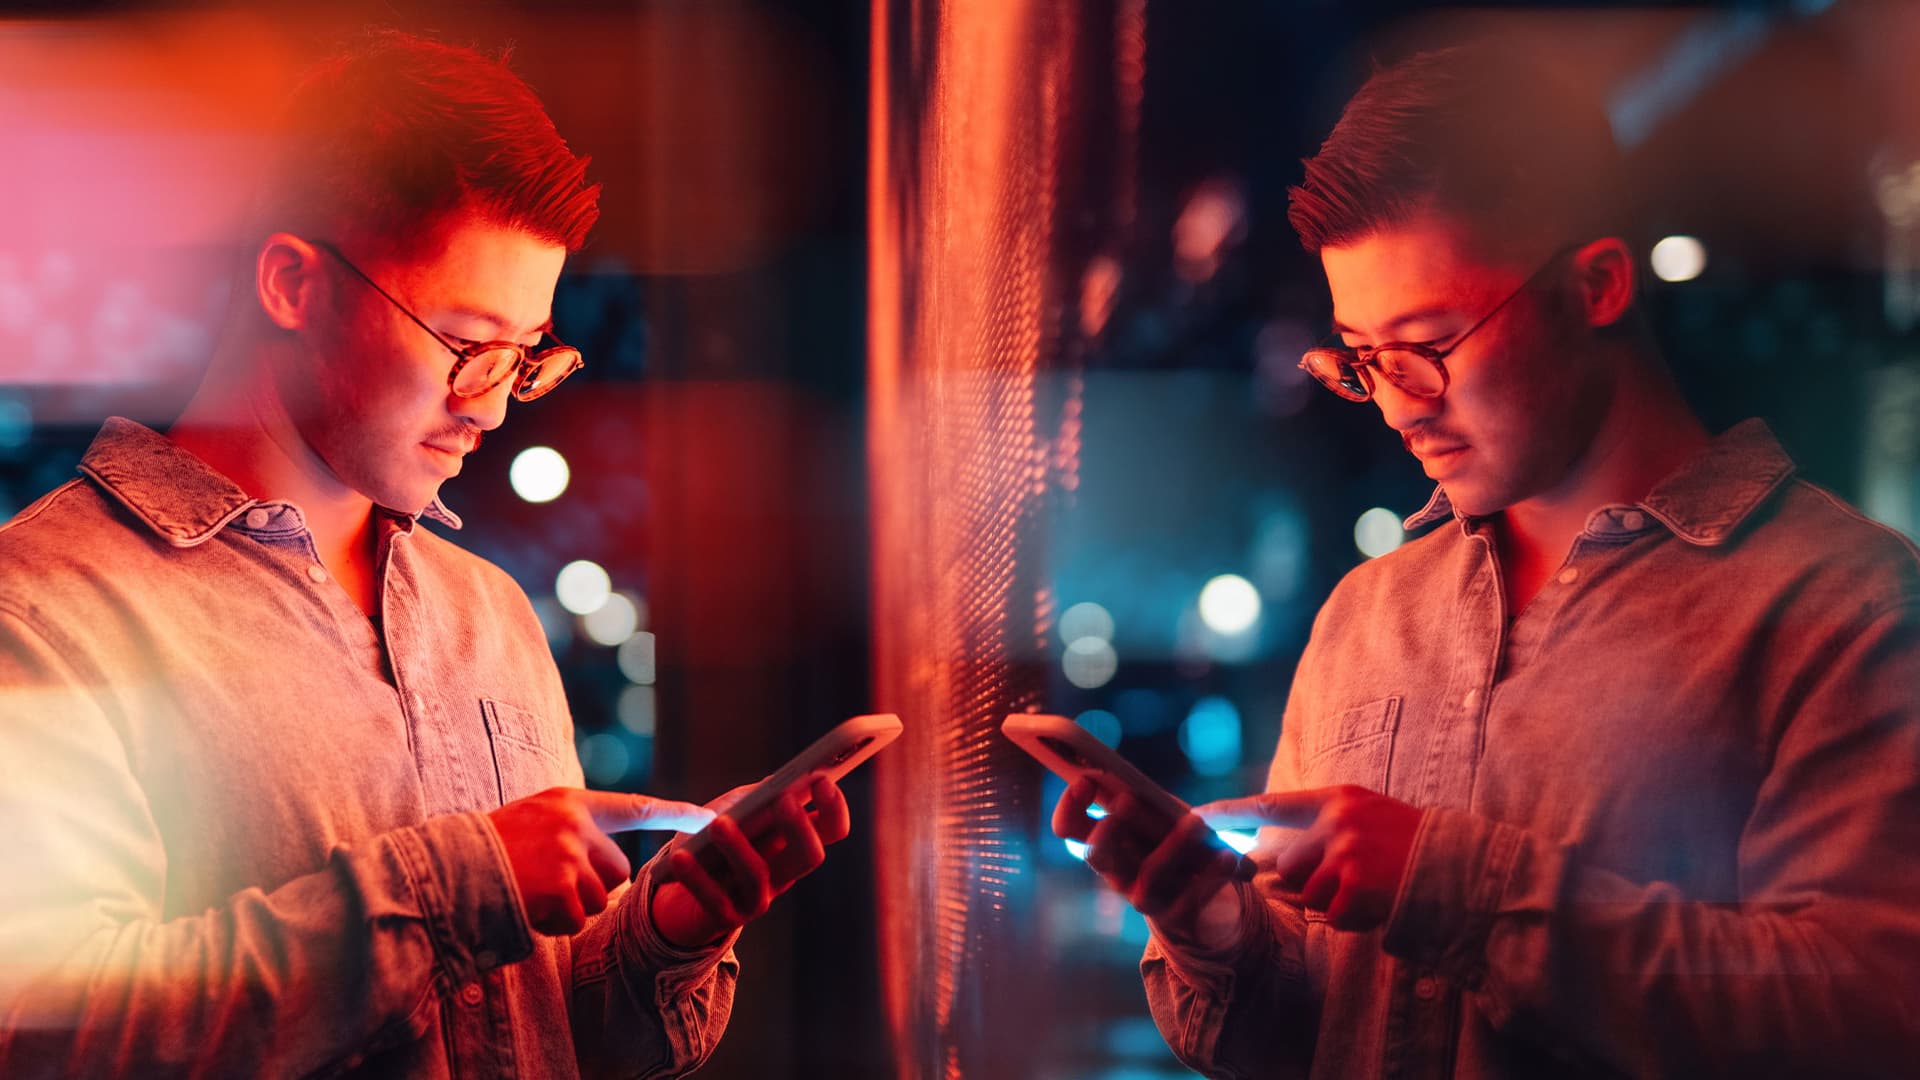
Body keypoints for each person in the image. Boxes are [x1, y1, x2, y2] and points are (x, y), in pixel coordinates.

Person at [1054, 44, 1920, 1076]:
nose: (1396, 402)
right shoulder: (1367, 615)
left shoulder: (1845, 607)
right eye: (1361, 358)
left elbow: (1871, 1017)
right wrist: (1215, 928)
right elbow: (1312, 1037)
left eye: (1428, 343)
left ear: (1595, 285)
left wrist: (1448, 884)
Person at [0, 31, 849, 1077]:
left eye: (525, 357)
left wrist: (664, 932)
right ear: (292, 285)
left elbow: (540, 1028)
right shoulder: (44, 612)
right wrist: (464, 883)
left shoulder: (485, 613)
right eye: (465, 346)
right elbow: (53, 1037)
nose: (492, 406)